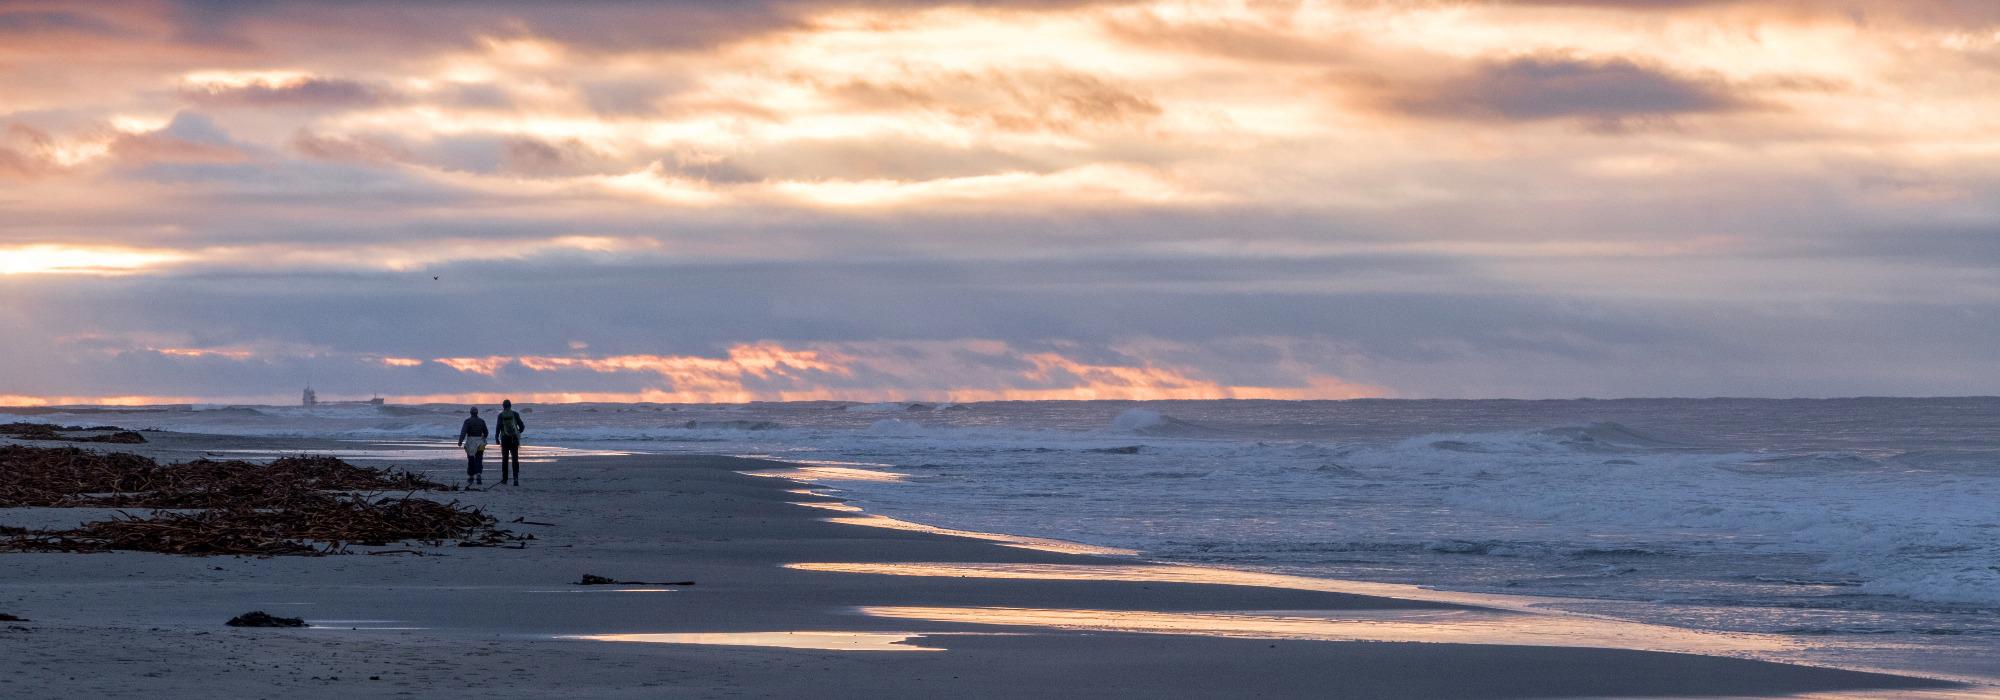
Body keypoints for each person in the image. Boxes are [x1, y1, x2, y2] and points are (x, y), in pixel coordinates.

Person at [495, 399, 526, 486]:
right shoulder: (515, 414)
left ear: (503, 406)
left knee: (505, 459)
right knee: (515, 459)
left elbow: (498, 427)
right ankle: (515, 478)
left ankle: (505, 479)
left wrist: (496, 438)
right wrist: (517, 432)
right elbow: (522, 426)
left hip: (504, 439)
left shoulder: (501, 415)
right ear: (510, 405)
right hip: (514, 439)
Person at [456, 407, 489, 485]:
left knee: (471, 459)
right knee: (479, 458)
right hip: (480, 442)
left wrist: (460, 441)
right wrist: (483, 438)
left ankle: (471, 477)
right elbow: (486, 433)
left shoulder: (467, 421)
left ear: (470, 413)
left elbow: (463, 432)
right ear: (477, 413)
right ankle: (478, 474)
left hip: (470, 441)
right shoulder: (482, 421)